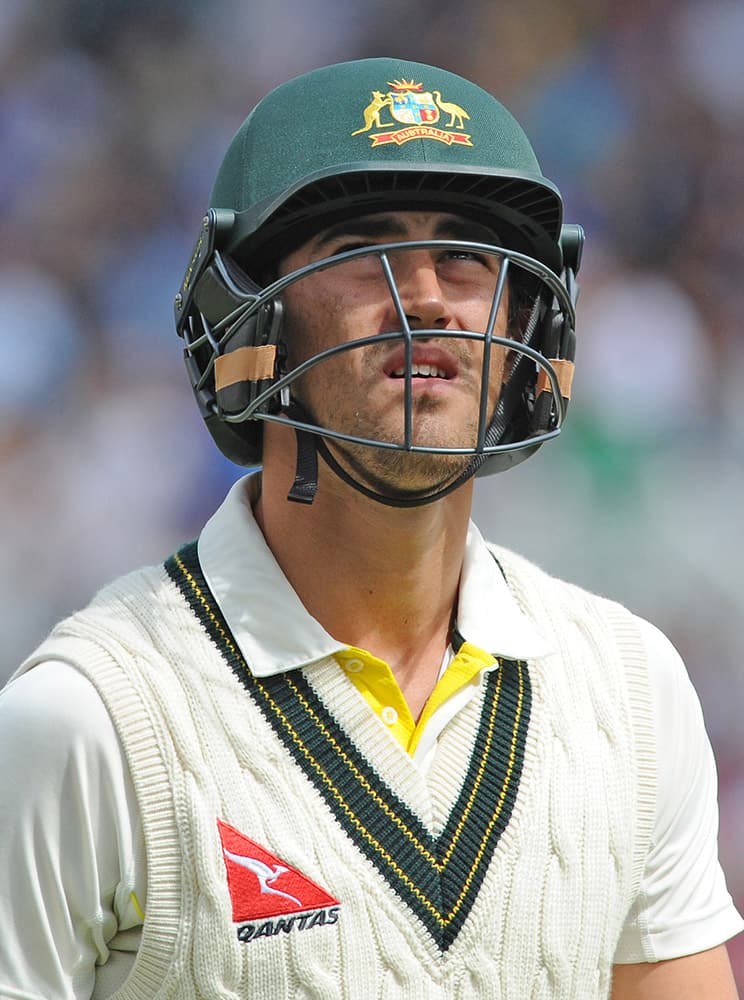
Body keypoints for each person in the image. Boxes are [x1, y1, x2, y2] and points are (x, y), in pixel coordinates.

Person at [0, 56, 741, 1000]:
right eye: (362, 247)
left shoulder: (632, 690)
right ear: (247, 319)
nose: (427, 296)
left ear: (528, 321)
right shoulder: (87, 719)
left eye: (468, 256)